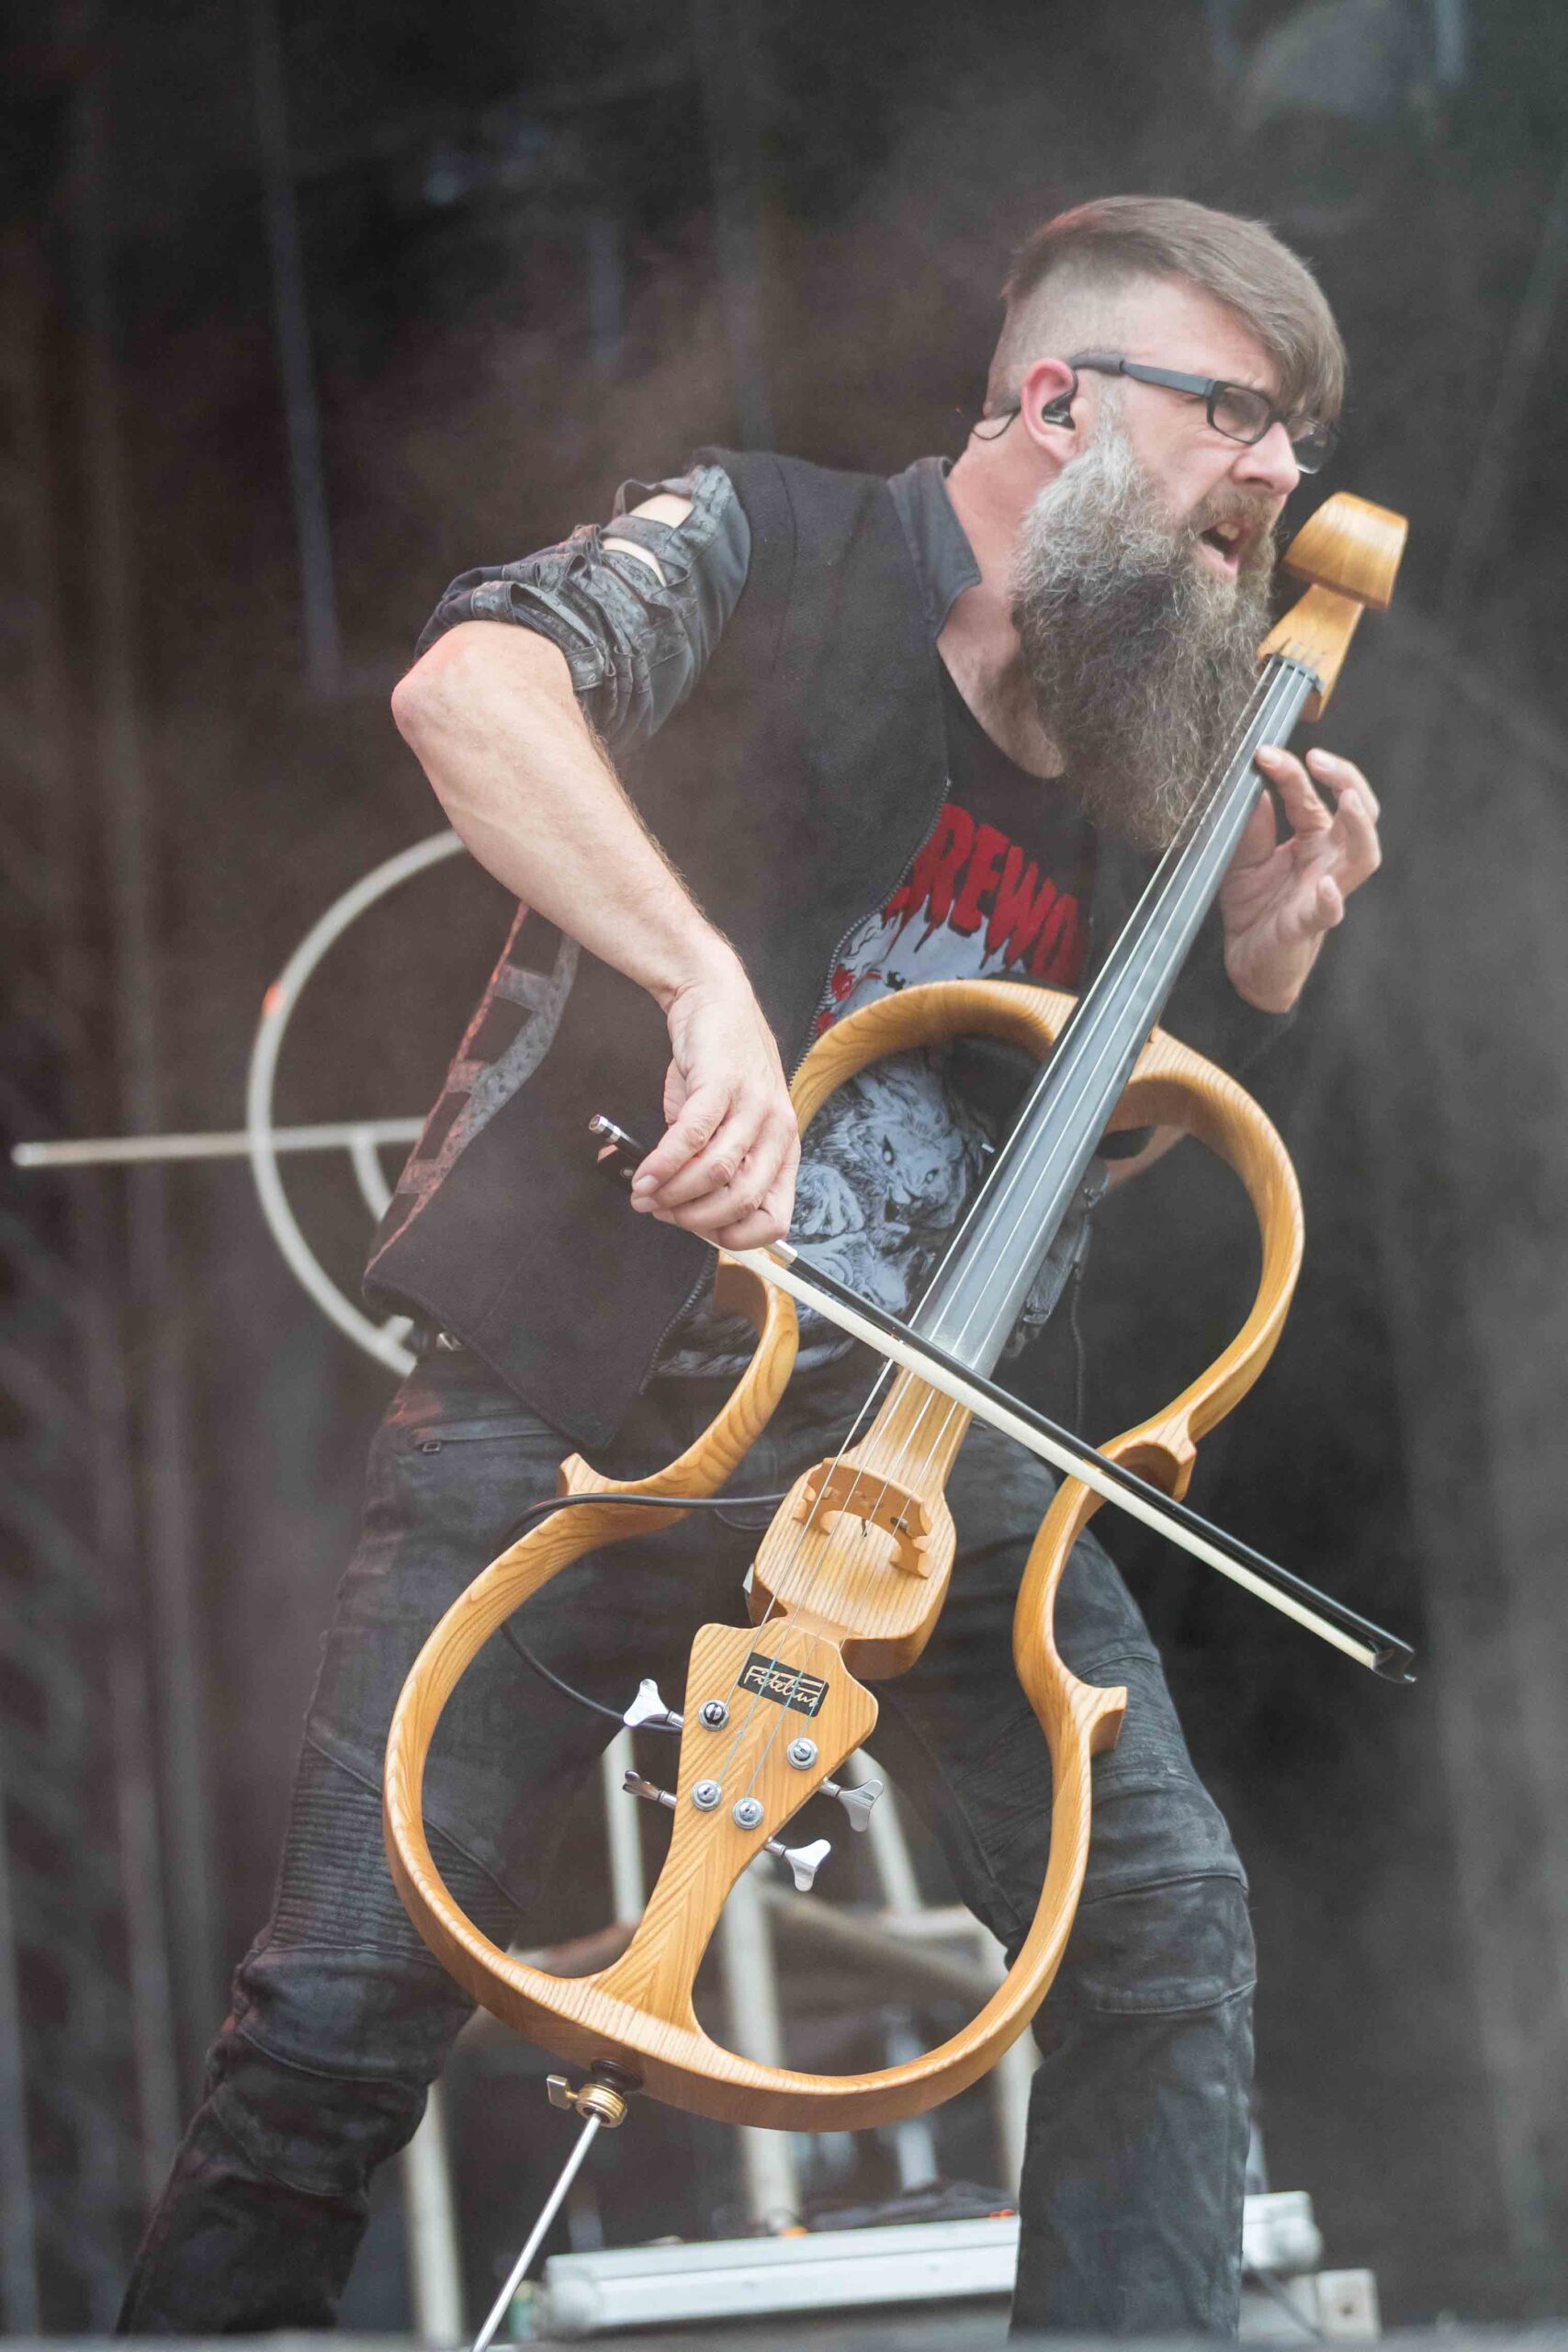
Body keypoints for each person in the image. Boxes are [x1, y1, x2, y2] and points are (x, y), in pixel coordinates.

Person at [119, 195, 1383, 2336]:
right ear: (1054, 401)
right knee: (333, 2013)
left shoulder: (1144, 746)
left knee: (1160, 1937)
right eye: (1237, 415)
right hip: (590, 1394)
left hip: (922, 1457)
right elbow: (470, 687)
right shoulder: (767, 539)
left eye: (1297, 437)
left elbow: (1058, 1158)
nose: (1276, 476)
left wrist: (1244, 967)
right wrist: (693, 972)